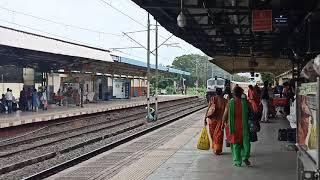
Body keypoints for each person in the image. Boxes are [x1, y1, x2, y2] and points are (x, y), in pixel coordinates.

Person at [223, 86, 251, 167]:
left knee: (235, 144)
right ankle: (245, 156)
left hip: (233, 126)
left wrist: (223, 122)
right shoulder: (245, 102)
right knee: (245, 142)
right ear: (241, 93)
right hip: (244, 126)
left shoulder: (230, 102)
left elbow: (225, 114)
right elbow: (253, 110)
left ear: (234, 94)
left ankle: (238, 161)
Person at [205, 88, 227, 155]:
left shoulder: (212, 99)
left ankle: (215, 147)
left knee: (213, 135)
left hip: (212, 120)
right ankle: (217, 149)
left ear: (216, 93)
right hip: (221, 120)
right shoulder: (225, 101)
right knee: (219, 135)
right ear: (221, 93)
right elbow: (226, 112)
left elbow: (208, 108)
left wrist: (205, 118)